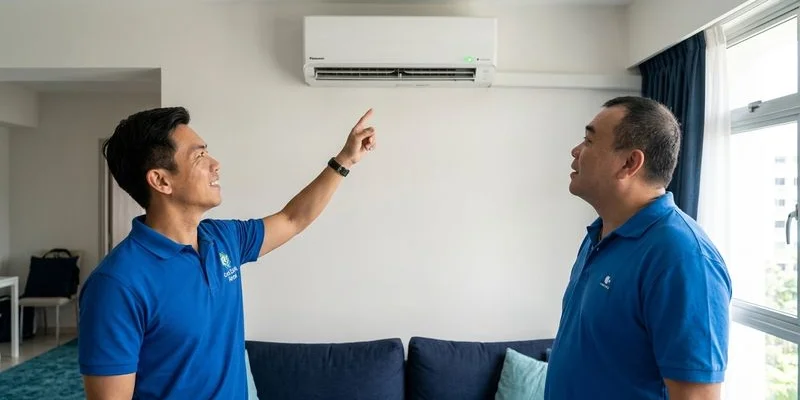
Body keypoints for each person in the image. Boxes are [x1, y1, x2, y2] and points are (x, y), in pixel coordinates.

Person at [78, 106, 377, 399]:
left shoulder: (222, 239)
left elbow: (292, 219)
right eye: (199, 156)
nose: (215, 163)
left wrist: (345, 160)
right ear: (161, 181)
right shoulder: (116, 285)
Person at [544, 96, 732, 399]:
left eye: (589, 141)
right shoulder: (599, 234)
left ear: (629, 163)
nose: (576, 151)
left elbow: (697, 395)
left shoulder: (682, 257)